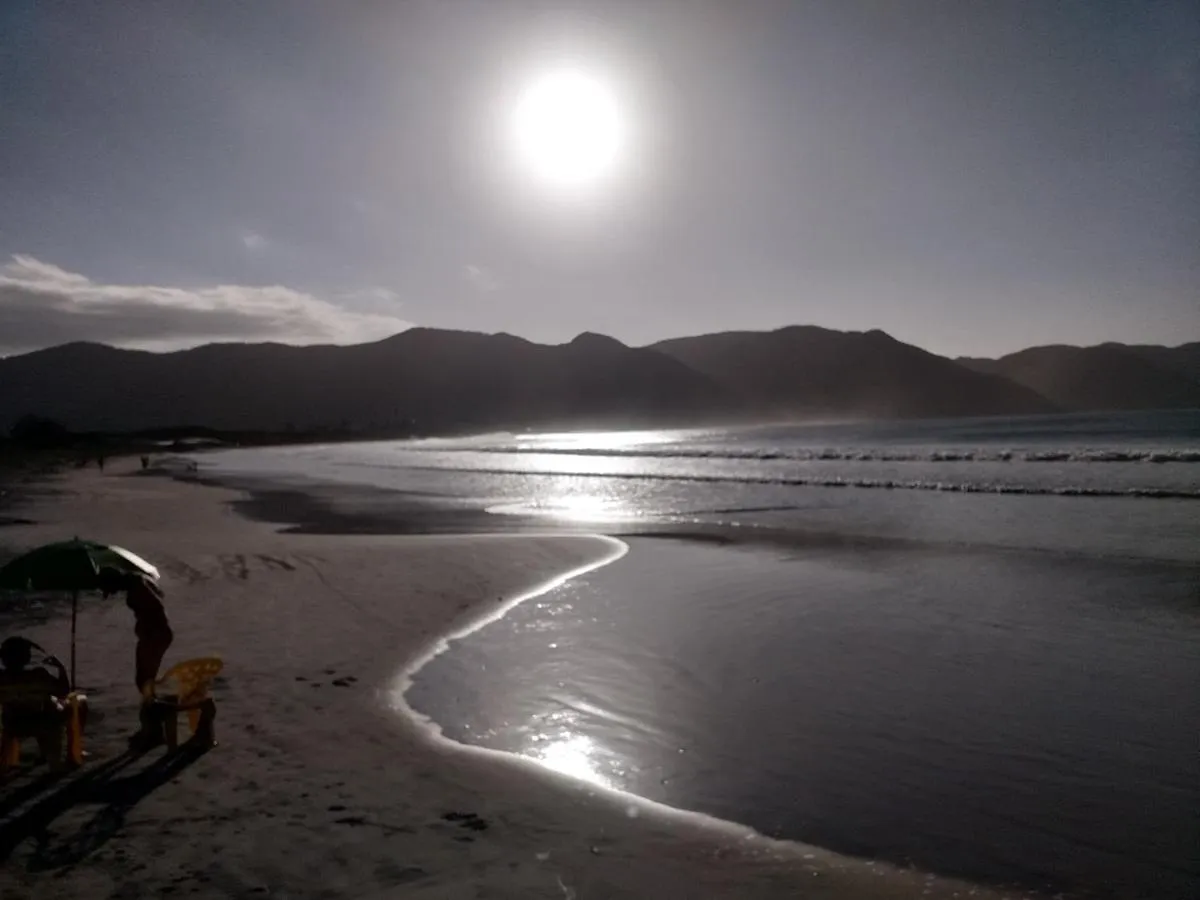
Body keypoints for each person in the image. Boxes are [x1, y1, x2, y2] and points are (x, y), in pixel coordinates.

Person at [0, 637, 86, 768]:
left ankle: (19, 755)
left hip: (13, 724)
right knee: (77, 701)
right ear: (27, 657)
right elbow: (63, 691)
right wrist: (60, 668)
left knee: (42, 702)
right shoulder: (39, 675)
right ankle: (73, 754)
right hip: (41, 722)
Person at [97, 567, 174, 696]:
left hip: (155, 636)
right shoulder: (138, 581)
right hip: (156, 635)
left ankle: (155, 704)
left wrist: (146, 629)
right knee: (145, 679)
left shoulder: (137, 587)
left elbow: (156, 607)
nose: (114, 592)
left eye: (111, 589)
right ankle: (154, 702)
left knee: (143, 679)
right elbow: (158, 598)